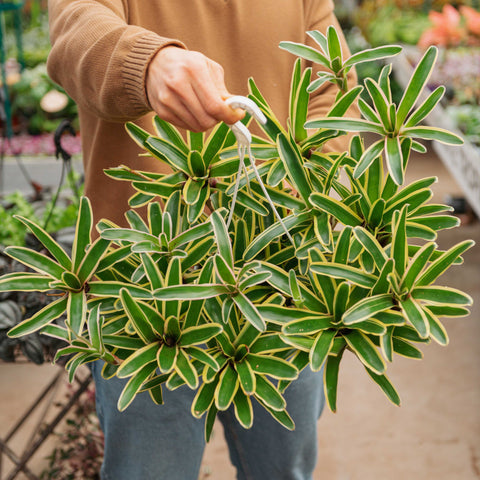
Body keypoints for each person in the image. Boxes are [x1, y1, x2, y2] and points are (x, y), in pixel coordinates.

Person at [47, 1, 357, 479]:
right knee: (149, 472)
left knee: (283, 469)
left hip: (278, 283)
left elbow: (334, 97)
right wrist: (145, 63)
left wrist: (294, 199)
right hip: (142, 291)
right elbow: (76, 34)